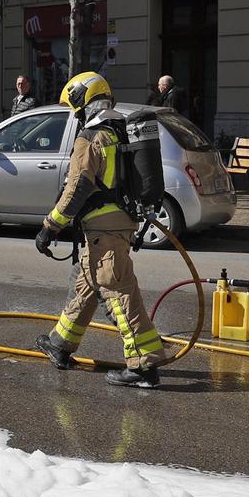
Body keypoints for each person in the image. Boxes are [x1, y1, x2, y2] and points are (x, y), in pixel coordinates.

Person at [32, 72, 166, 389]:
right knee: (88, 285)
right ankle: (59, 344)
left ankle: (144, 365)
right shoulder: (118, 132)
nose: (75, 115)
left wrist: (50, 226)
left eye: (75, 109)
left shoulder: (91, 137)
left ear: (83, 101)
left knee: (118, 293)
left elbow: (78, 187)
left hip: (103, 229)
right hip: (117, 224)